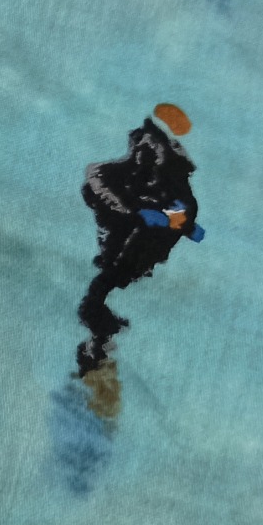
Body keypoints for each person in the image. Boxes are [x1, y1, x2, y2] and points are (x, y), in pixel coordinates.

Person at [77, 104, 203, 378]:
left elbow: (182, 217)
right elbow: (96, 176)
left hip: (136, 256)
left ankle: (101, 340)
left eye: (157, 139)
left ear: (172, 148)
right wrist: (131, 209)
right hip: (118, 242)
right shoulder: (133, 167)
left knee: (100, 290)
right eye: (148, 135)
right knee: (96, 294)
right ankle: (99, 339)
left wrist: (167, 219)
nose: (148, 144)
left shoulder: (177, 188)